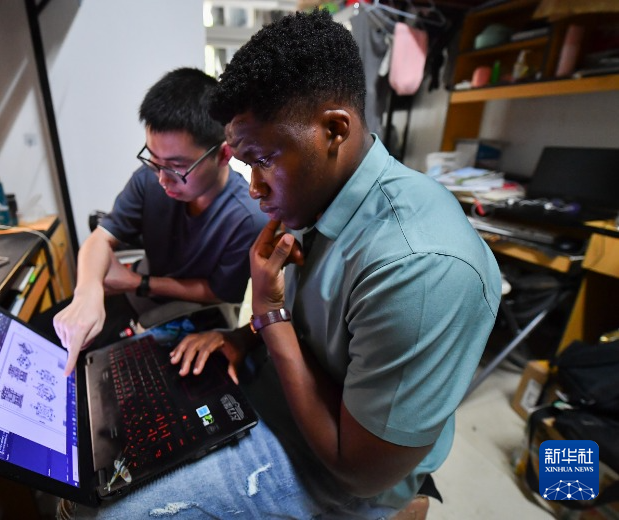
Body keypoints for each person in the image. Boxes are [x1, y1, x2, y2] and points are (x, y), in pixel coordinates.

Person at [73, 11, 500, 519]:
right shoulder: (315, 194)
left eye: (262, 160)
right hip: (274, 387)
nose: (254, 188)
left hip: (333, 461)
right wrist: (244, 336)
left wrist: (268, 315)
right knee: (105, 433)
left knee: (104, 512)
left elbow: (361, 473)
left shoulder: (421, 269)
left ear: (333, 130)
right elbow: (314, 324)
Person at [52, 67, 267, 376]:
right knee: (54, 340)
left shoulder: (247, 219)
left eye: (177, 166)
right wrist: (87, 292)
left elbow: (219, 292)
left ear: (223, 155)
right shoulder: (148, 180)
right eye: (153, 160)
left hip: (197, 313)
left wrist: (137, 283)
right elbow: (101, 237)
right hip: (140, 293)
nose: (163, 180)